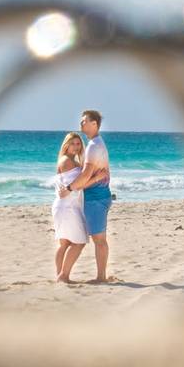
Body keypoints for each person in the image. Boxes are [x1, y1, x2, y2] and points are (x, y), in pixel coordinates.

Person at [58, 110, 112, 283]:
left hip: (96, 198)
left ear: (94, 124)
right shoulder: (95, 144)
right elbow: (90, 175)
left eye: (84, 121)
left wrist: (69, 188)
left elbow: (86, 175)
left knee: (99, 239)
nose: (81, 124)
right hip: (96, 197)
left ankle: (100, 277)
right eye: (81, 122)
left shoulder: (93, 146)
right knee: (96, 239)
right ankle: (96, 276)